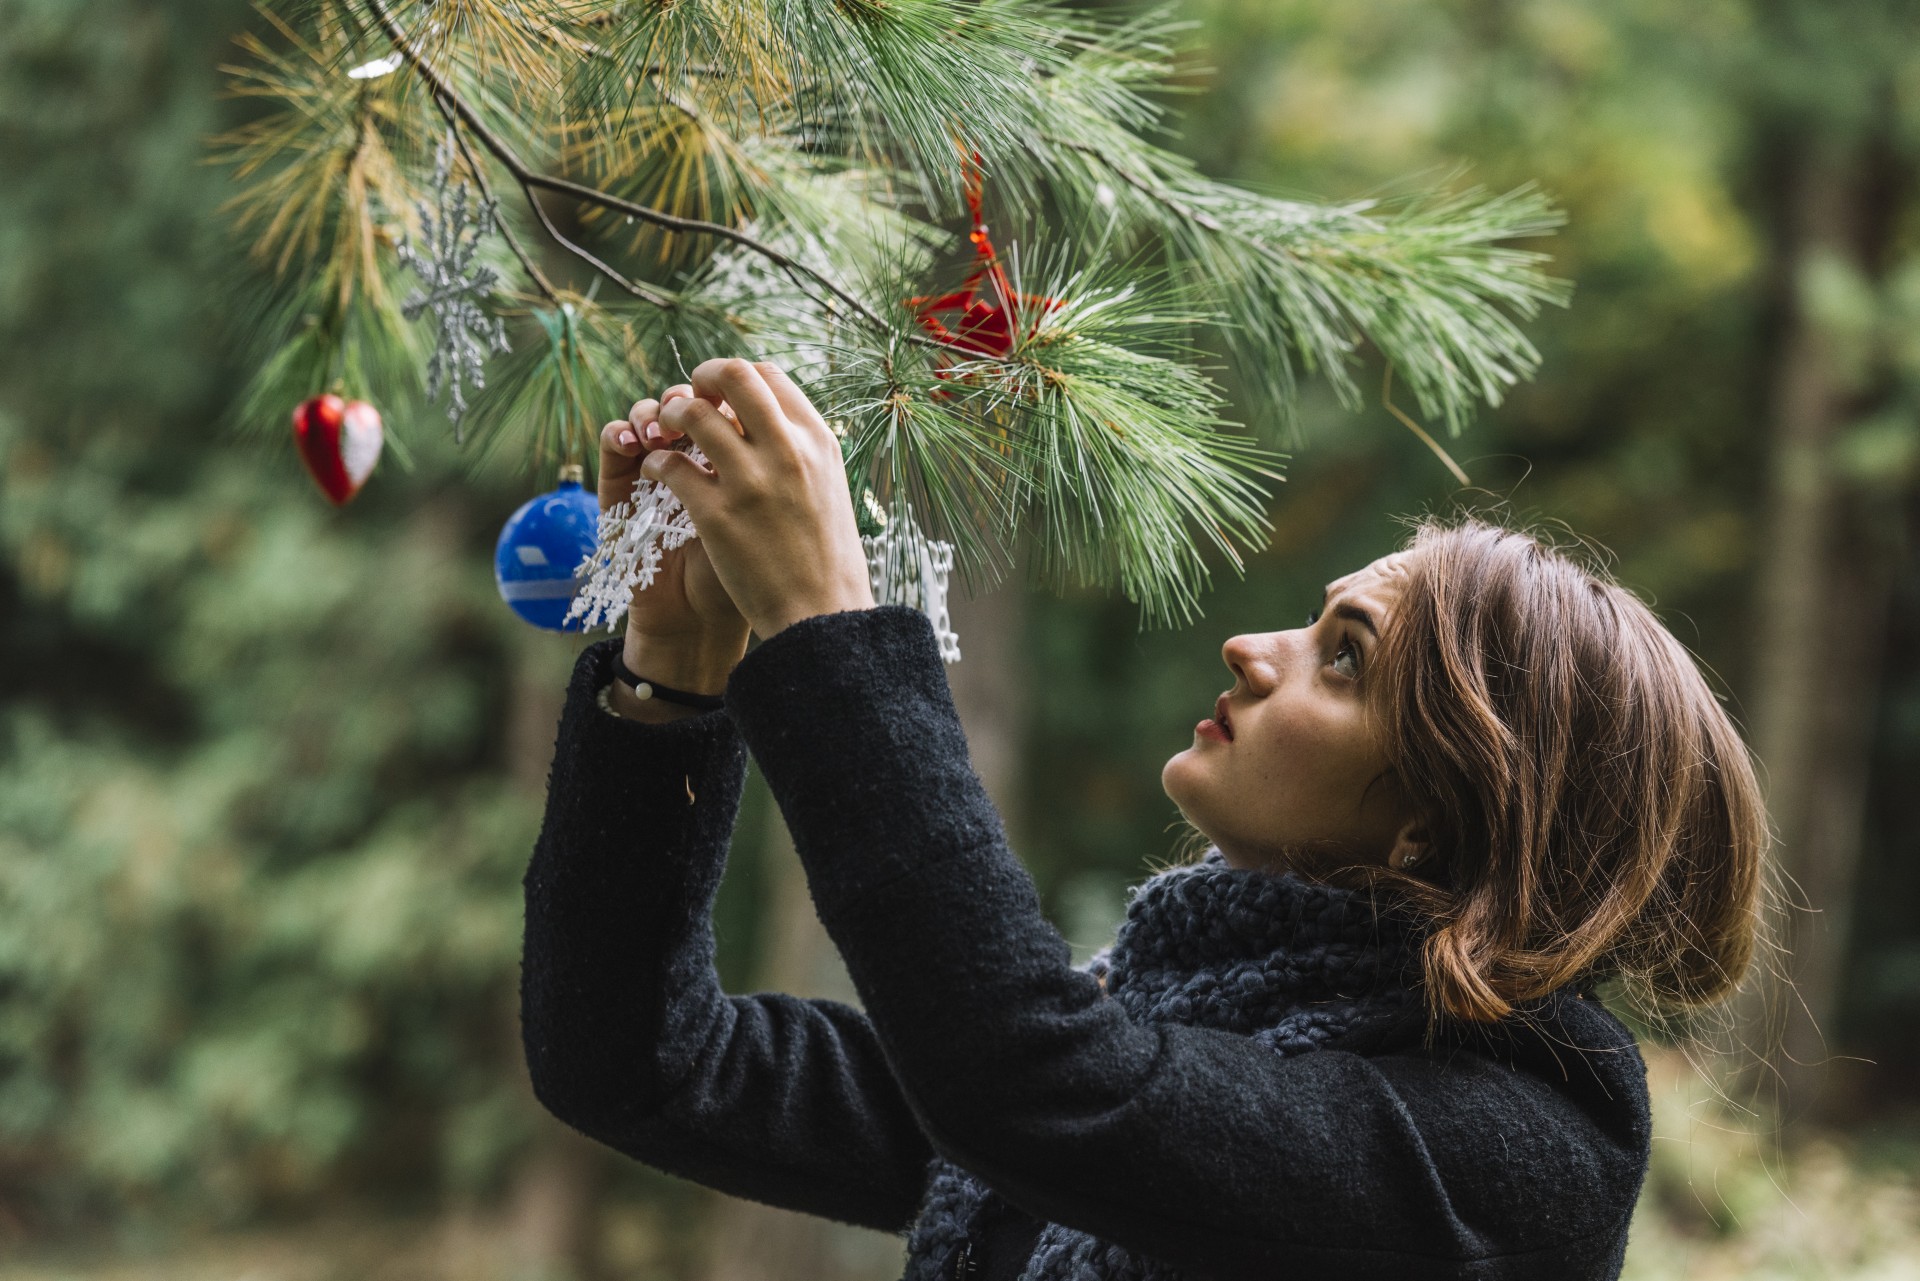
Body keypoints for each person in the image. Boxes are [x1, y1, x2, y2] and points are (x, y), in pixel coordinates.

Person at [519, 358, 1768, 1281]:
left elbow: (1025, 1074)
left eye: (1344, 659)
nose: (1251, 647)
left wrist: (829, 634)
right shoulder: (1157, 1023)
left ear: (1441, 819)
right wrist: (673, 672)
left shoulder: (1521, 1149)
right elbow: (642, 1063)